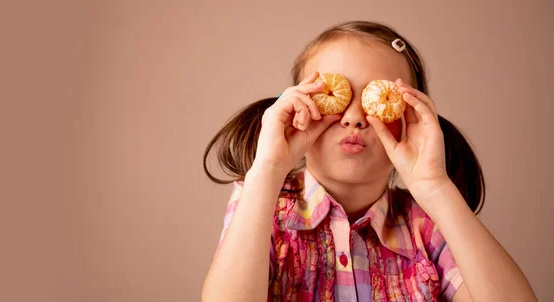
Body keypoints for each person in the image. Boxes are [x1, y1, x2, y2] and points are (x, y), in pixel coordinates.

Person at [201, 21, 536, 302]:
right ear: (296, 109)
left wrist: (434, 186)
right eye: (333, 96)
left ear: (411, 119)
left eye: (377, 100)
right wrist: (268, 169)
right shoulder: (263, 206)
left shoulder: (427, 226)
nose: (355, 118)